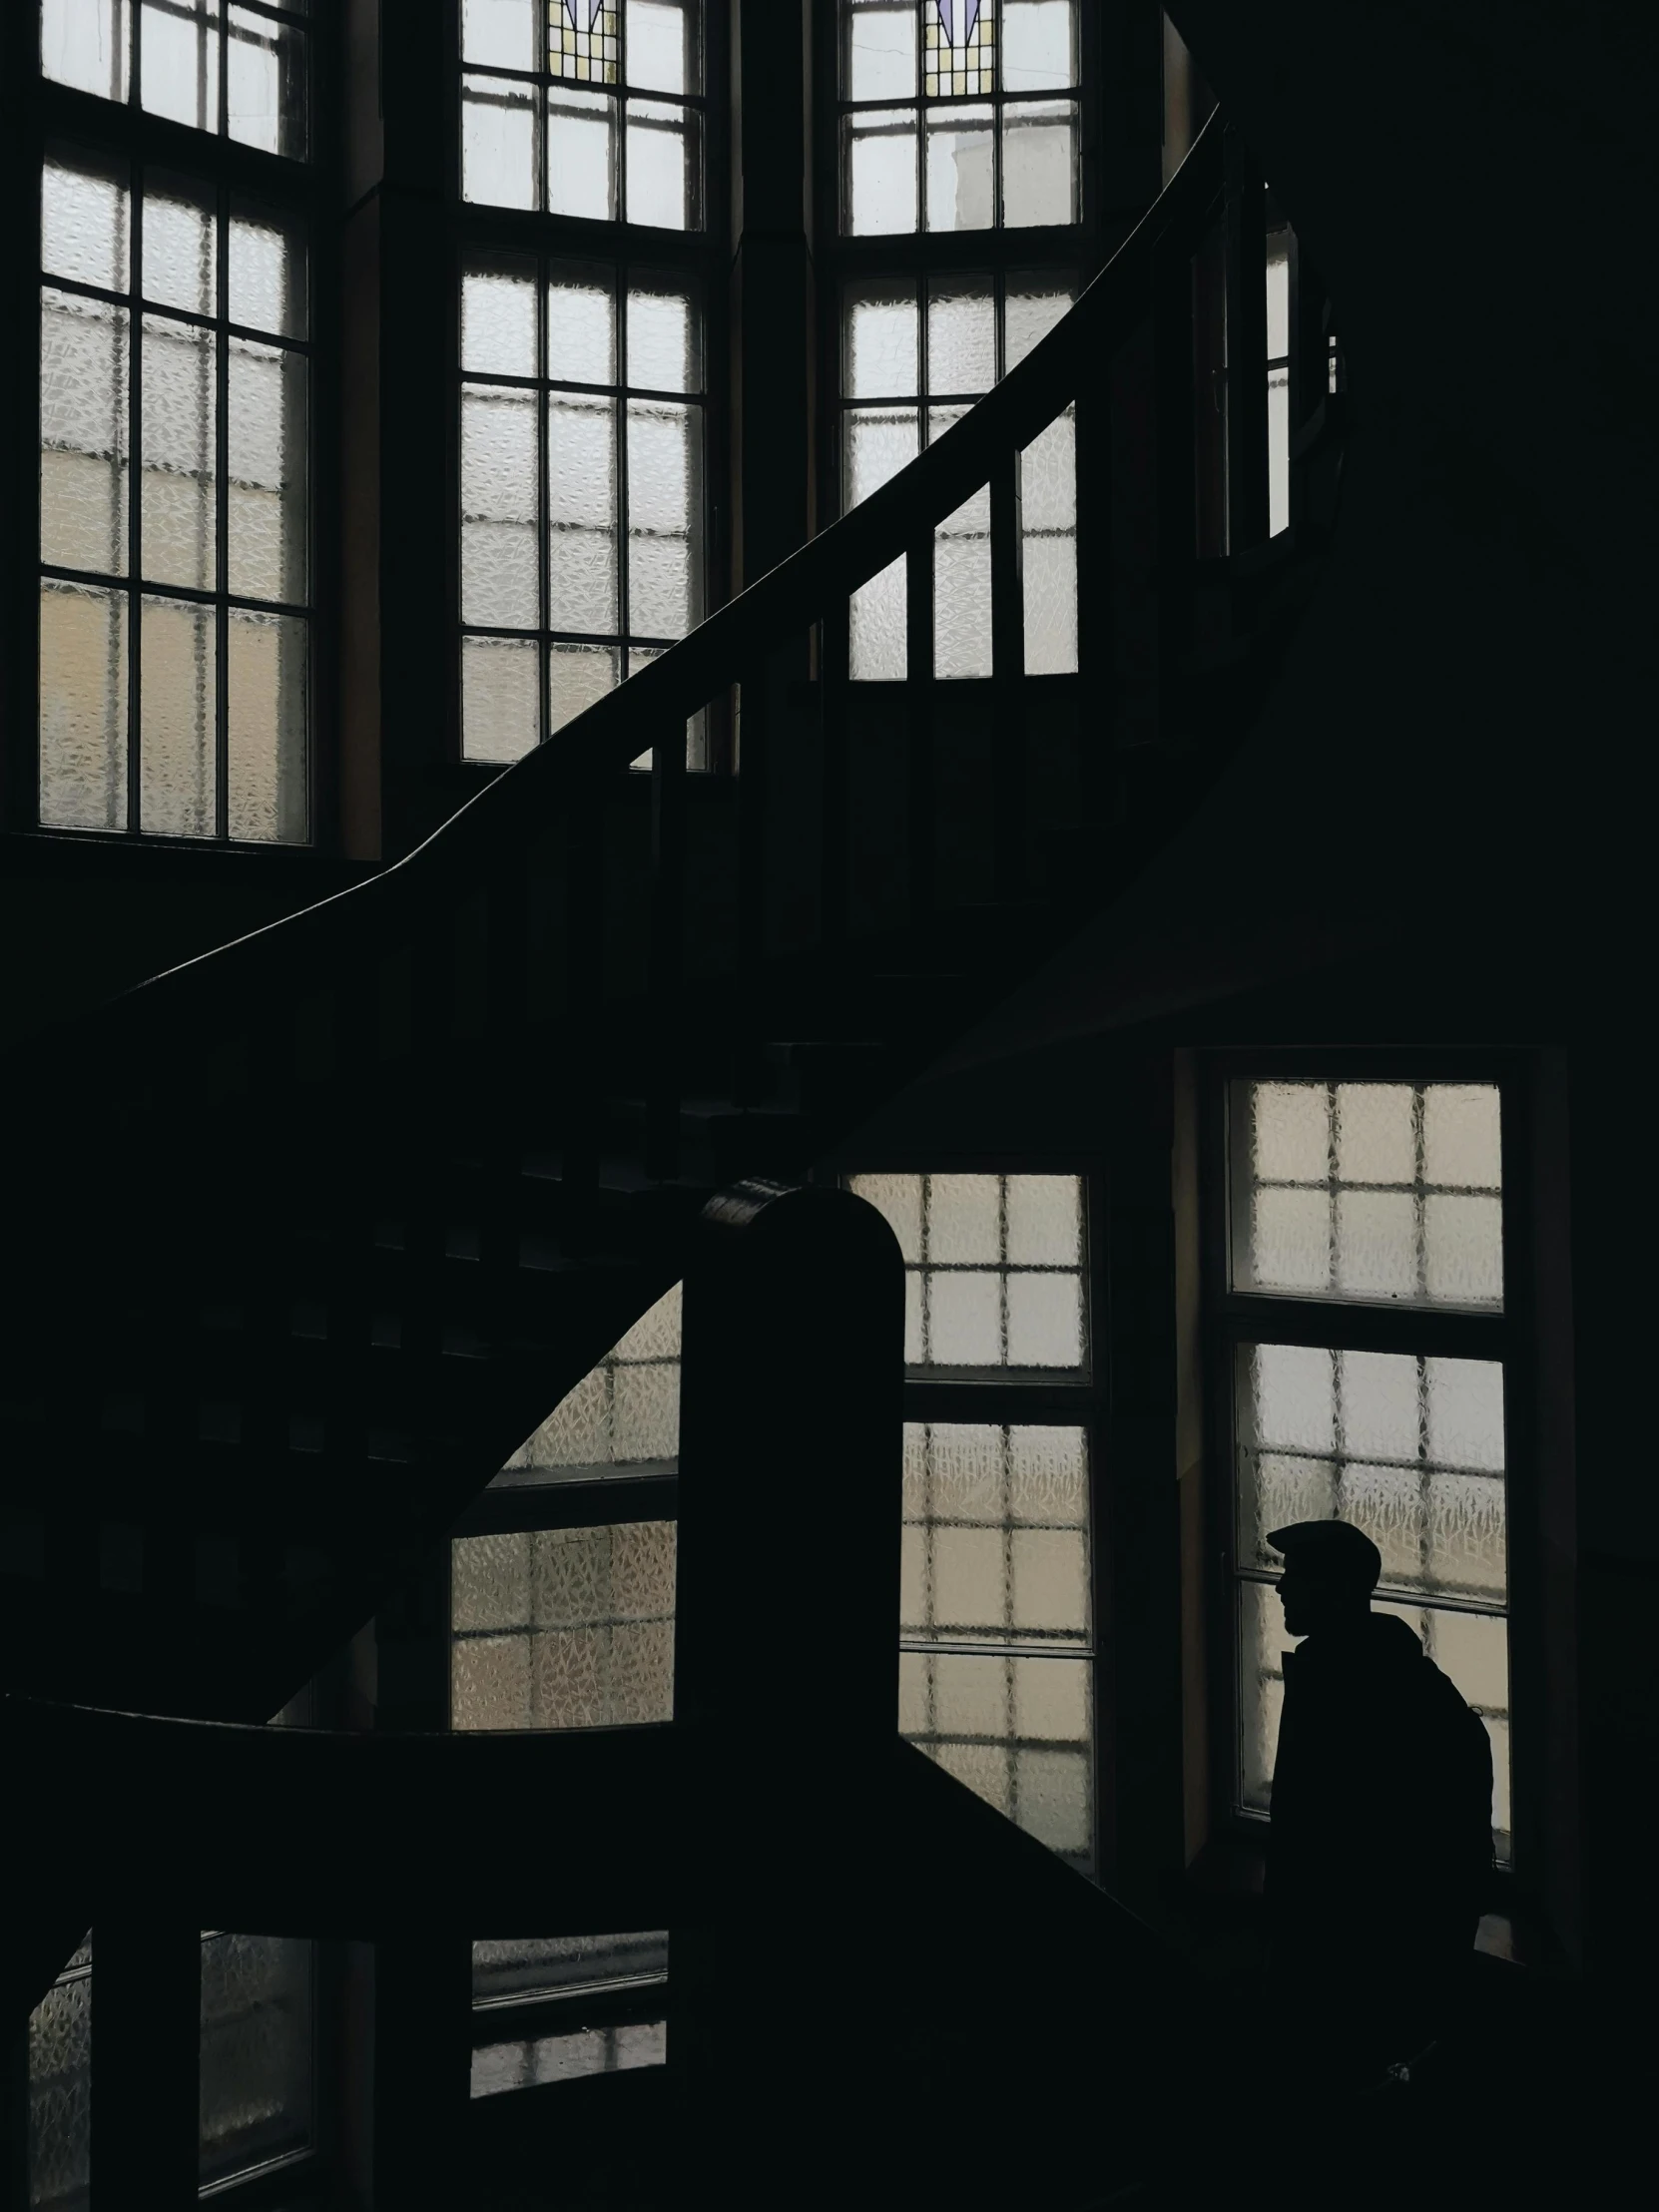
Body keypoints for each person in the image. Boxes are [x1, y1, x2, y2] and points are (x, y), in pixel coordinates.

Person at [1263, 1518, 1495, 2093]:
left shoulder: (1366, 1692)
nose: (1280, 1588)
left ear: (1337, 1590)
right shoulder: (1374, 1679)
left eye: (1296, 1576)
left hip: (1360, 1968)